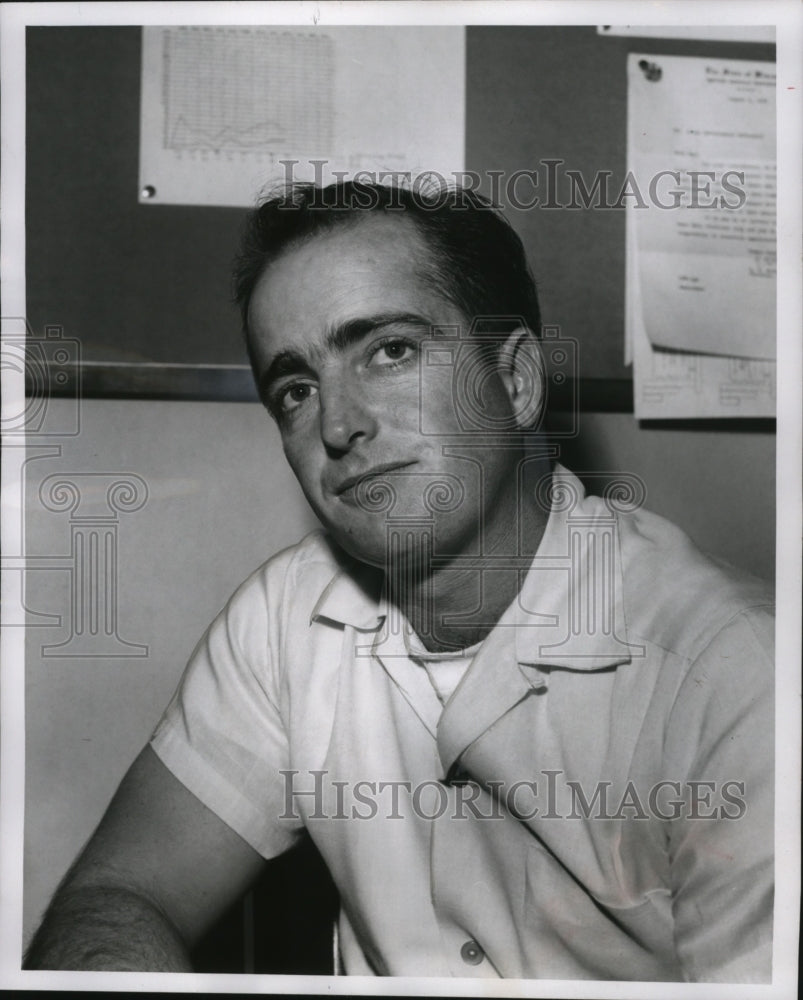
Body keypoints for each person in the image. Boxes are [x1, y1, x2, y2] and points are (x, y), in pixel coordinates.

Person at [25, 181, 774, 980]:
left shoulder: (736, 677)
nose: (339, 425)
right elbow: (121, 894)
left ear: (517, 381)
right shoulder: (282, 618)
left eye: (389, 351)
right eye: (296, 389)